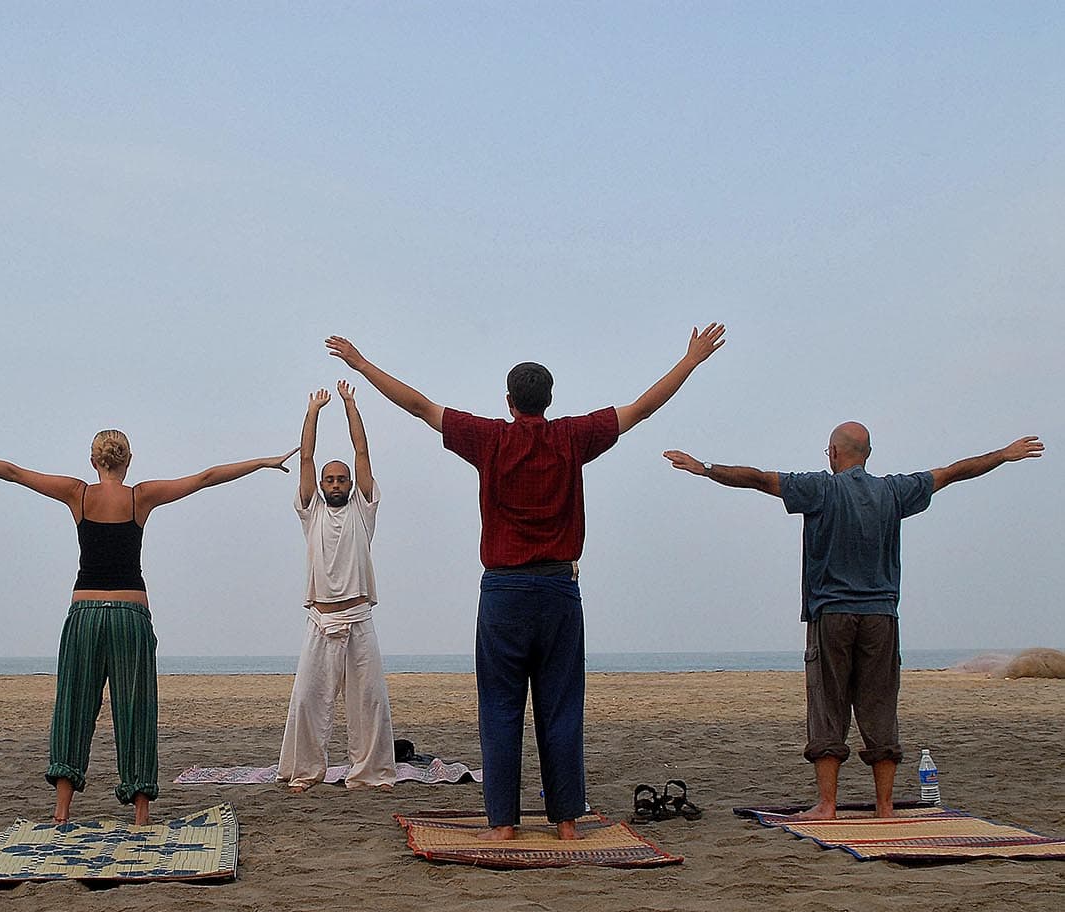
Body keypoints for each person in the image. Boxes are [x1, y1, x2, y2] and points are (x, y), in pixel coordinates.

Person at [328, 326, 725, 839]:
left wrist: (362, 364)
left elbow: (421, 407)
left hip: (504, 592)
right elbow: (641, 409)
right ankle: (564, 821)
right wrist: (689, 360)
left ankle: (503, 825)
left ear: (510, 401)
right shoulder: (572, 436)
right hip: (559, 590)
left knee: (499, 708)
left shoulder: (492, 438)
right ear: (549, 401)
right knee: (561, 708)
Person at [664, 424, 1045, 819]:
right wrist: (1001, 454)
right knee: (880, 704)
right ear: (868, 453)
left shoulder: (820, 489)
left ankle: (827, 805)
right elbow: (950, 472)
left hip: (832, 614)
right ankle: (884, 807)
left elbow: (759, 479)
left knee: (828, 703)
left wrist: (705, 468)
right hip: (881, 615)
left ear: (832, 452)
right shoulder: (893, 491)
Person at [0, 432, 296, 824]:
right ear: (128, 460)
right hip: (129, 615)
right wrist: (263, 462)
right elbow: (206, 477)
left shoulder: (77, 494)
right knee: (135, 709)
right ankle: (140, 812)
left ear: (93, 460)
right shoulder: (141, 497)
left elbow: (12, 472)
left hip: (85, 613)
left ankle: (62, 811)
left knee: (74, 706)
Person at [277, 381, 396, 792]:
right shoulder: (312, 512)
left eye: (340, 479)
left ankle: (370, 772)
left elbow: (362, 452)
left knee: (370, 702)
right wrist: (313, 412)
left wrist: (350, 405)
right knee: (308, 701)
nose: (335, 484)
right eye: (330, 480)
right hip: (320, 620)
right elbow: (306, 456)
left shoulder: (364, 510)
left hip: (360, 619)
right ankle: (306, 771)